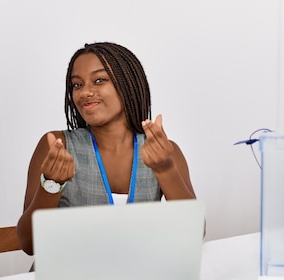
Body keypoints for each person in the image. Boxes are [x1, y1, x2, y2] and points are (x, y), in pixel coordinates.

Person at [17, 42, 196, 255]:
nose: (85, 93)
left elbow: (194, 233)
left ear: (126, 84)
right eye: (77, 85)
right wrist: (52, 185)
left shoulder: (165, 151)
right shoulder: (57, 145)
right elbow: (28, 245)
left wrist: (165, 168)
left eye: (99, 80)